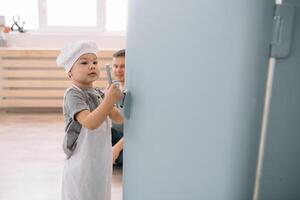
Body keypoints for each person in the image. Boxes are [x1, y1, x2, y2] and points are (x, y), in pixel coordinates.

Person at [57, 40, 123, 200]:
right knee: (81, 193)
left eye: (95, 62)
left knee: (98, 192)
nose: (92, 66)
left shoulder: (98, 93)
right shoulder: (73, 94)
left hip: (99, 157)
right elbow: (90, 122)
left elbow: (118, 117)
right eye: (84, 62)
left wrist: (119, 99)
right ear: (70, 72)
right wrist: (108, 100)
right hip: (82, 160)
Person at [111, 49, 125, 166]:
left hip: (130, 139)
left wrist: (116, 148)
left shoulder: (133, 92)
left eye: (122, 66)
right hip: (116, 134)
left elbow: (136, 131)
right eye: (115, 66)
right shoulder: (113, 87)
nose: (118, 70)